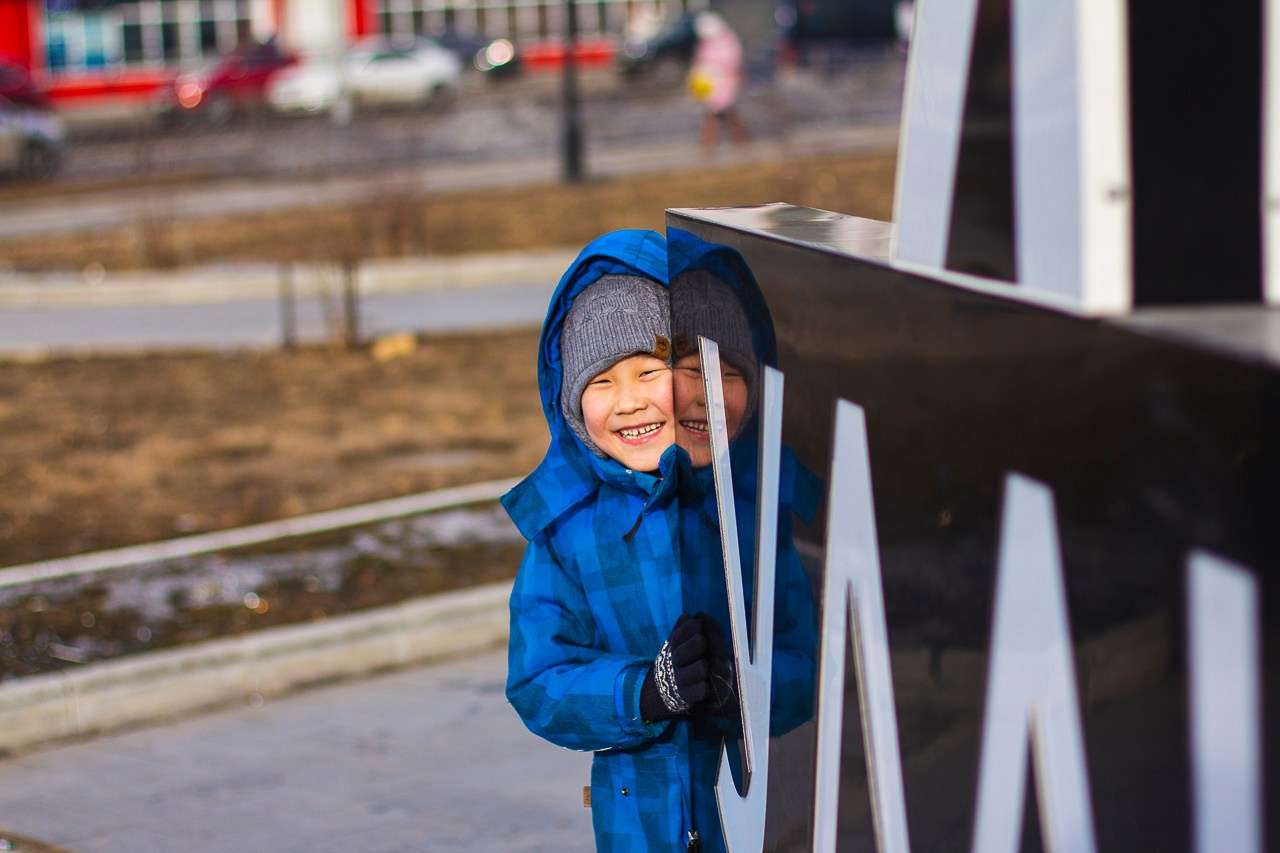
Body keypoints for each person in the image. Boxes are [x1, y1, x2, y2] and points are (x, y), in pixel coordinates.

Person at [503, 229, 739, 853]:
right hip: (639, 829)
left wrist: (741, 686)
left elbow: (817, 654)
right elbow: (539, 680)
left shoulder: (742, 501)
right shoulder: (565, 532)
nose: (629, 402)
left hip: (761, 816)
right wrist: (645, 691)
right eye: (601, 381)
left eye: (647, 371)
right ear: (570, 403)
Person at [688, 11, 750, 151]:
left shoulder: (727, 41)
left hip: (725, 84)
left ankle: (709, 144)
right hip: (712, 85)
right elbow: (701, 61)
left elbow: (733, 62)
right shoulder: (706, 43)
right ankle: (739, 141)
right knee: (722, 114)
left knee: (718, 114)